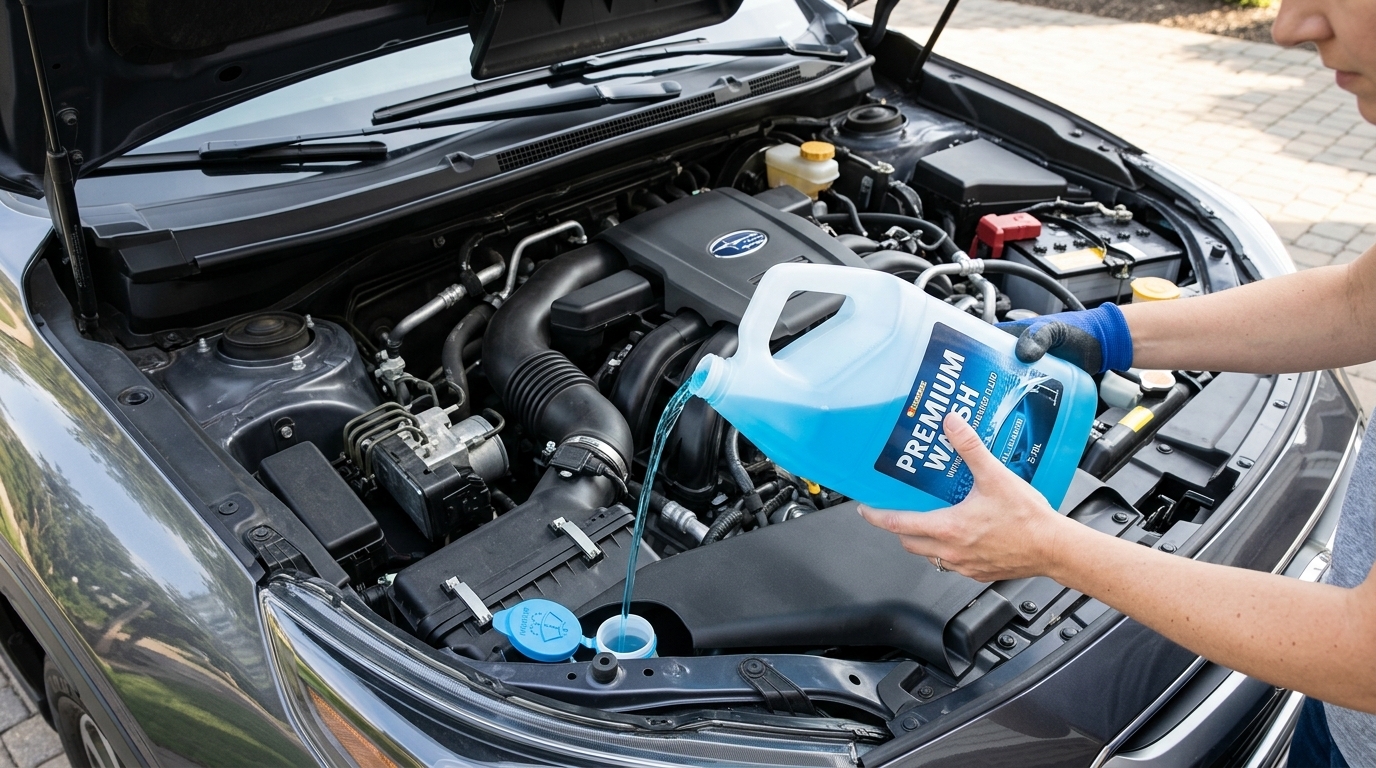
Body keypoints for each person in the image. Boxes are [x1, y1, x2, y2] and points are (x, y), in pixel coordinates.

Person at [858, 0, 1376, 765]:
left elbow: (1363, 655)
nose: (1290, 27)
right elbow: (1358, 301)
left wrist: (1051, 548)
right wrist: (1108, 335)